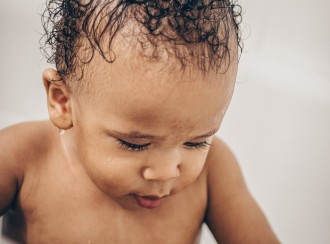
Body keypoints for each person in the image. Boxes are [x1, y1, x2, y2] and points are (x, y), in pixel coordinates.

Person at [0, 0, 279, 242]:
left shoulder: (213, 172)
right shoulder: (22, 159)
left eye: (196, 142)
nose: (167, 172)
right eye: (135, 144)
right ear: (63, 101)